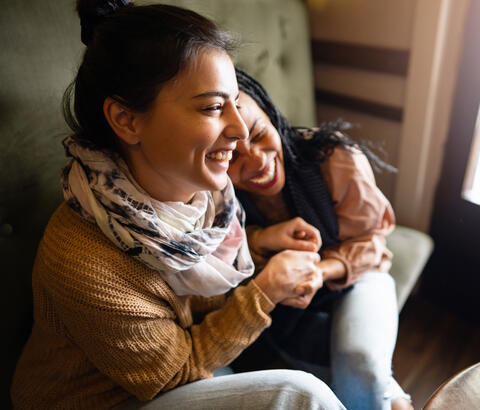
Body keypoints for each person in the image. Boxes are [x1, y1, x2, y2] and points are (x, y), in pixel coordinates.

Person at [10, 2, 346, 409]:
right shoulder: (82, 259)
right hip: (109, 399)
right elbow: (175, 372)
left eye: (234, 103)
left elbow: (190, 274)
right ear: (126, 120)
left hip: (188, 366)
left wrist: (260, 242)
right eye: (211, 107)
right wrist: (266, 289)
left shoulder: (205, 195)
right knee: (298, 394)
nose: (240, 131)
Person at [226, 68, 413, 410]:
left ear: (272, 115)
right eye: (233, 155)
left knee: (362, 365)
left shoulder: (336, 159)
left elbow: (373, 243)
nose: (256, 161)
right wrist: (261, 237)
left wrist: (321, 271)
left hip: (359, 275)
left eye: (258, 134)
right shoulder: (217, 196)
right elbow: (222, 250)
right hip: (274, 293)